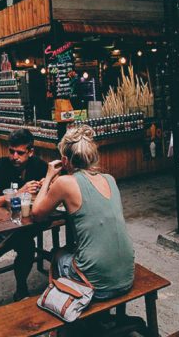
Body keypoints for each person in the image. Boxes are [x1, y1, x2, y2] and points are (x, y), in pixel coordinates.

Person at [32, 125, 135, 300]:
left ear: (64, 161)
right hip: (126, 276)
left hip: (98, 285)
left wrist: (49, 176)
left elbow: (37, 213)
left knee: (58, 255)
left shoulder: (64, 182)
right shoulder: (110, 179)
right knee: (76, 249)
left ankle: (71, 312)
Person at [0, 129, 48, 300]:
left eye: (20, 152)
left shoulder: (38, 165)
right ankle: (21, 290)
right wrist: (18, 193)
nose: (14, 156)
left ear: (30, 152)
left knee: (28, 235)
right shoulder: (0, 166)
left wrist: (48, 182)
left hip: (28, 222)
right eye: (11, 151)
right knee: (27, 244)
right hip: (2, 223)